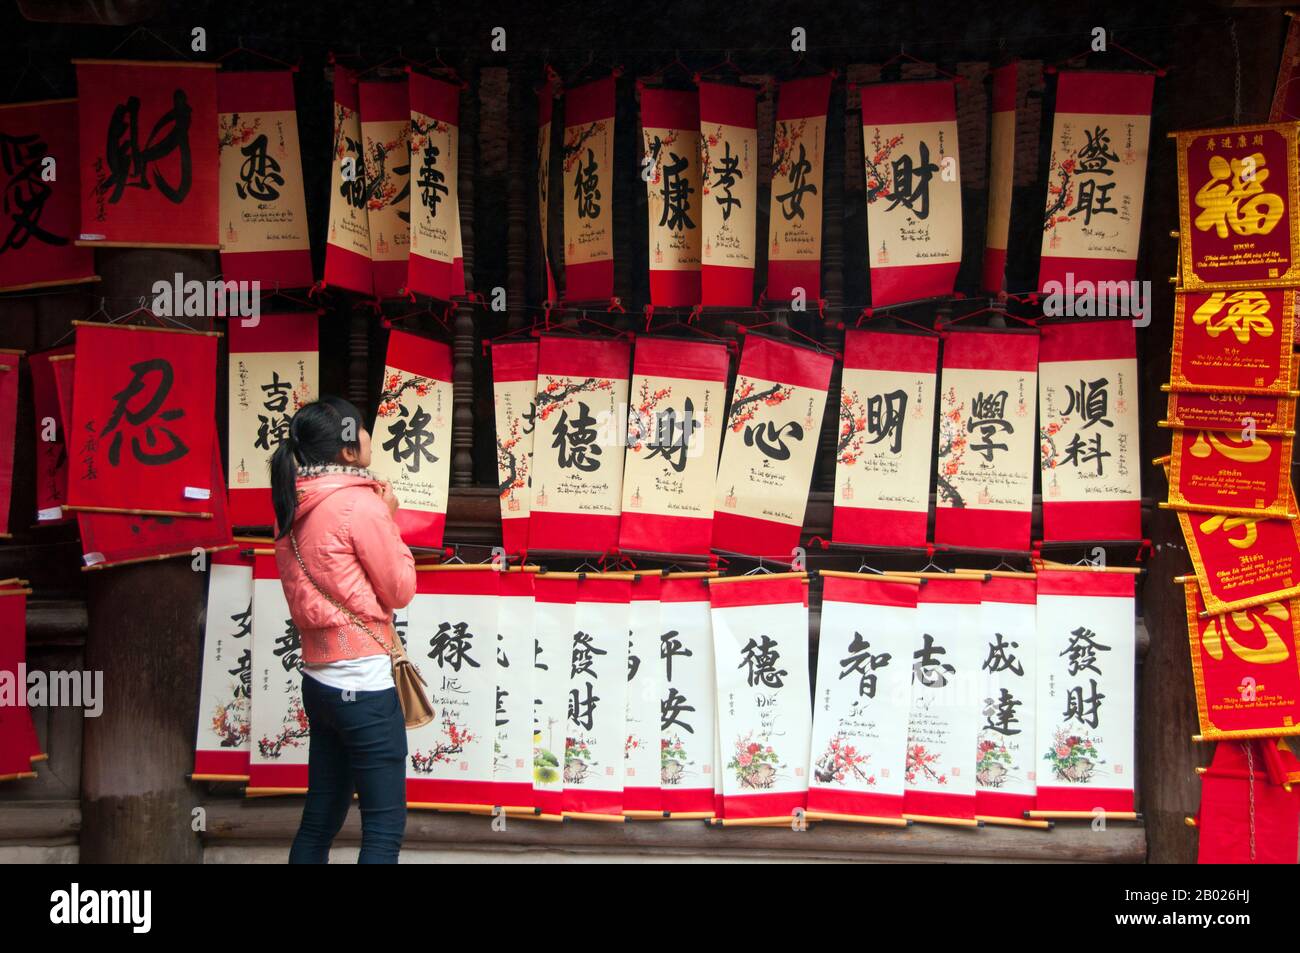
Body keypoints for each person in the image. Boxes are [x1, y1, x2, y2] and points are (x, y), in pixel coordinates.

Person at [269, 395, 416, 864]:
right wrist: (389, 519)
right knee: (382, 827)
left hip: (319, 679)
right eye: (364, 428)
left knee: (320, 819)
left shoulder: (292, 499)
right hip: (364, 682)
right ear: (349, 450)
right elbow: (400, 589)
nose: (371, 435)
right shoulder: (359, 503)